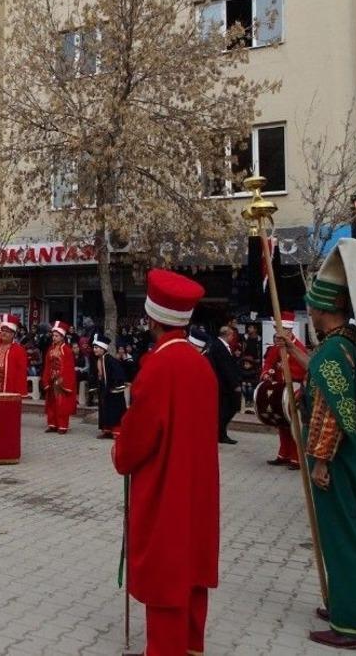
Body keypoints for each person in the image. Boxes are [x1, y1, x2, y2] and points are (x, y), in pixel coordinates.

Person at [276, 239, 356, 651]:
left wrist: (319, 460)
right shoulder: (343, 344)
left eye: (315, 311)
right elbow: (320, 375)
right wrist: (295, 352)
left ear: (326, 310)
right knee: (344, 536)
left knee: (342, 540)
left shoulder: (335, 352)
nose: (312, 317)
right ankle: (343, 603)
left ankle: (354, 625)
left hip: (338, 461)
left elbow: (332, 412)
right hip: (354, 457)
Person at [113, 269, 218, 656]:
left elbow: (138, 439)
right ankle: (192, 644)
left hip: (165, 483)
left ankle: (165, 649)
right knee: (192, 563)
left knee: (167, 566)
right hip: (197, 484)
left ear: (153, 318)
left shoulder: (157, 366)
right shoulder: (200, 363)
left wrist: (120, 452)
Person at [260, 311, 307, 468]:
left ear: (289, 331)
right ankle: (284, 454)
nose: (277, 333)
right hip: (280, 389)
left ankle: (297, 458)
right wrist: (266, 373)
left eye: (280, 330)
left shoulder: (298, 347)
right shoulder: (276, 347)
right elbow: (268, 363)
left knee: (294, 424)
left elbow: (304, 368)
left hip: (294, 388)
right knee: (281, 423)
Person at [42, 321, 77, 434]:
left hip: (61, 380)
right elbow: (47, 364)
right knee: (51, 402)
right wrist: (46, 378)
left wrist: (62, 379)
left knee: (61, 404)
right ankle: (52, 424)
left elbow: (69, 367)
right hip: (52, 379)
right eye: (53, 335)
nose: (54, 338)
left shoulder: (66, 350)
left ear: (62, 337)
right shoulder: (50, 349)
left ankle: (62, 426)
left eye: (57, 336)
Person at [208, 325, 242, 444]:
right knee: (227, 409)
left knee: (225, 410)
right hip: (224, 385)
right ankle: (220, 434)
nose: (233, 337)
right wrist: (235, 384)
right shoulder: (219, 346)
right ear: (227, 335)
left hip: (225, 384)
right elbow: (225, 368)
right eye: (232, 335)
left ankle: (220, 433)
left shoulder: (221, 345)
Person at [93, 332, 127, 438]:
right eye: (94, 347)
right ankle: (106, 429)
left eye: (97, 347)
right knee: (104, 409)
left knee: (114, 410)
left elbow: (119, 373)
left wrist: (114, 386)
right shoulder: (99, 360)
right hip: (104, 389)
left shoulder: (110, 360)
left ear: (103, 348)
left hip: (113, 390)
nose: (95, 349)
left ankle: (116, 431)